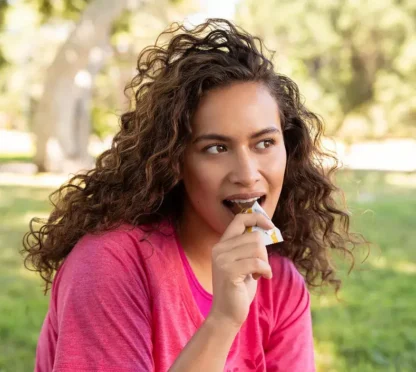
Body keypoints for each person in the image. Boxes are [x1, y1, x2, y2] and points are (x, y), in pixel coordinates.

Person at [23, 18, 363, 372]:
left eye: (264, 143)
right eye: (216, 148)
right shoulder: (109, 264)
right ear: (175, 161)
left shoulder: (280, 284)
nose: (247, 174)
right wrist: (222, 322)